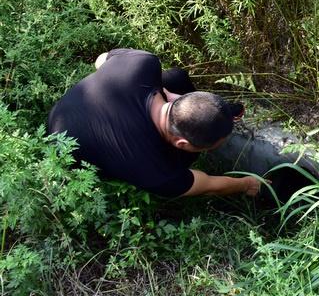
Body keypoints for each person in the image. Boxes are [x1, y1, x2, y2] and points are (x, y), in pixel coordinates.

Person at [47, 48, 262, 198]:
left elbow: (102, 60)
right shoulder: (156, 171)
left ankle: (214, 117)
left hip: (66, 110)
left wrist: (160, 90)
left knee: (176, 77)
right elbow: (207, 186)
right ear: (181, 143)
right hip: (66, 147)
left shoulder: (143, 63)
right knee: (180, 162)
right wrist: (247, 184)